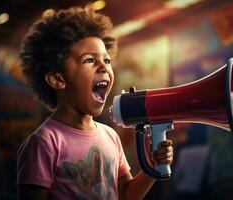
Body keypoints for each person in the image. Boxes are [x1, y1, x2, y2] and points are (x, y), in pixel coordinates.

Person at [16, 6, 173, 200]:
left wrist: (151, 167)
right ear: (58, 79)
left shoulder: (110, 136)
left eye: (107, 61)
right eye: (89, 60)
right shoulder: (45, 143)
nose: (103, 67)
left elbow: (126, 195)